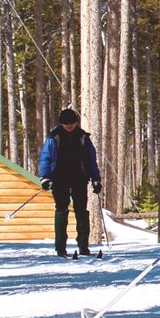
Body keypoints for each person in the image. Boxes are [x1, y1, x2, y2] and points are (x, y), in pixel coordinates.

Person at [37, 108, 102, 257]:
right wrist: (45, 177)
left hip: (79, 178)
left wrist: (96, 179)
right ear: (62, 123)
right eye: (66, 124)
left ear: (76, 123)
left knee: (81, 210)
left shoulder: (83, 137)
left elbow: (91, 160)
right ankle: (60, 246)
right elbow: (45, 158)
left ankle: (83, 245)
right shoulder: (54, 137)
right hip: (59, 179)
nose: (69, 126)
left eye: (72, 123)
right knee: (61, 209)